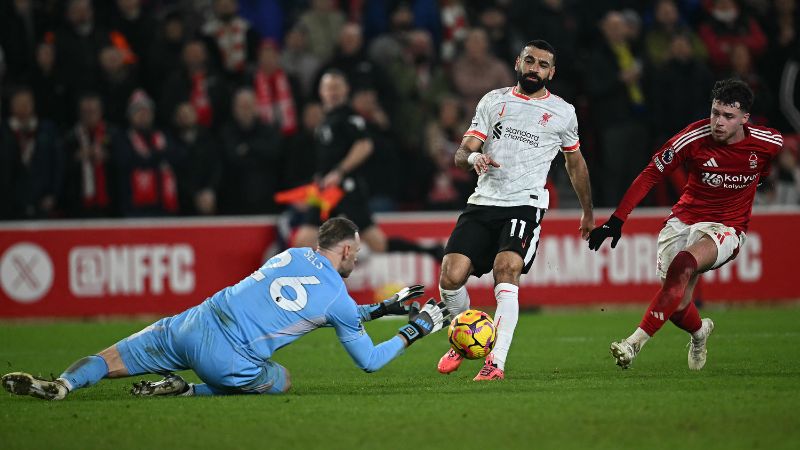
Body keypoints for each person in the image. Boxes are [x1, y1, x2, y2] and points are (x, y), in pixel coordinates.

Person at [1, 217, 450, 401]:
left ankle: (62, 385)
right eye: (356, 255)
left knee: (110, 358)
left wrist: (384, 307)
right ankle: (188, 391)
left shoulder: (291, 254)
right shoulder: (337, 297)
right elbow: (369, 361)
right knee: (282, 379)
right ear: (349, 250)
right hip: (226, 358)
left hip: (192, 322)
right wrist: (420, 326)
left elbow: (327, 308)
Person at [588, 79, 783, 370]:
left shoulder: (768, 143)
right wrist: (617, 220)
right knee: (677, 305)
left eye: (728, 117)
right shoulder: (692, 138)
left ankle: (632, 344)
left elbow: (764, 169)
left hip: (727, 228)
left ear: (745, 119)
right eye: (715, 112)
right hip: (684, 220)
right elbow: (650, 175)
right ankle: (700, 332)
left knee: (683, 264)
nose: (718, 122)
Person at [436, 40, 594, 381]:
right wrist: (475, 157)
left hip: (525, 203)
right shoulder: (494, 101)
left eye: (542, 64)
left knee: (506, 268)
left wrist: (587, 212)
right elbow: (462, 153)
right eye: (529, 61)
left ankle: (496, 362)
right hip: (483, 201)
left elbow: (575, 164)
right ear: (517, 63)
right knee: (450, 276)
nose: (534, 68)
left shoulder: (563, 112)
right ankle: (465, 337)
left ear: (551, 72)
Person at [291, 70, 443, 260]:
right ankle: (330, 275)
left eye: (337, 87)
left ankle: (431, 251)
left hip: (347, 189)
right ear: (321, 91)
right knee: (303, 240)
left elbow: (364, 145)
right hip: (326, 191)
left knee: (378, 244)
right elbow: (326, 162)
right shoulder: (324, 123)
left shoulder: (349, 117)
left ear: (346, 90)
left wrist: (339, 171)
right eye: (329, 88)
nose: (333, 92)